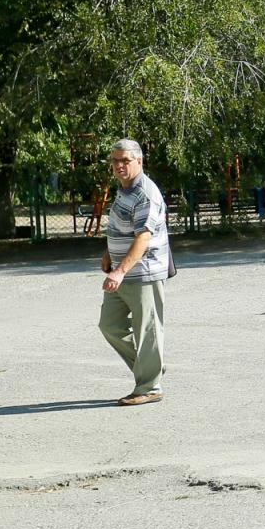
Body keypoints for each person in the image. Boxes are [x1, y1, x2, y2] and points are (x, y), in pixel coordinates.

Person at [98, 139, 171, 405]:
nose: (118, 166)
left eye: (125, 161)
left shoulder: (145, 193)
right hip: (122, 270)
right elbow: (121, 227)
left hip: (143, 271)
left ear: (139, 161)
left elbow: (142, 237)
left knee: (147, 329)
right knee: (110, 325)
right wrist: (109, 253)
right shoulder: (124, 188)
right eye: (115, 161)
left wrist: (119, 271)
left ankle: (150, 386)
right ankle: (150, 370)